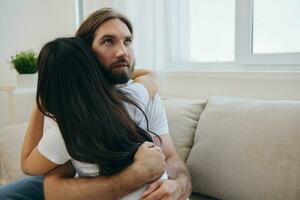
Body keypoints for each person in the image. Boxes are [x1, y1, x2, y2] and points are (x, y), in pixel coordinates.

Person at [0, 8, 192, 200]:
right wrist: (137, 173)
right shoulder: (134, 97)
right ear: (87, 54)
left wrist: (180, 184)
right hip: (78, 184)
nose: (122, 52)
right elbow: (54, 189)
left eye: (127, 41)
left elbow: (27, 165)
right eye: (108, 41)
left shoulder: (66, 129)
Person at [22, 36, 168, 200]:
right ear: (93, 69)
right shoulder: (128, 99)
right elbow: (151, 76)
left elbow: (27, 165)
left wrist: (39, 102)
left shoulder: (64, 134)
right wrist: (103, 72)